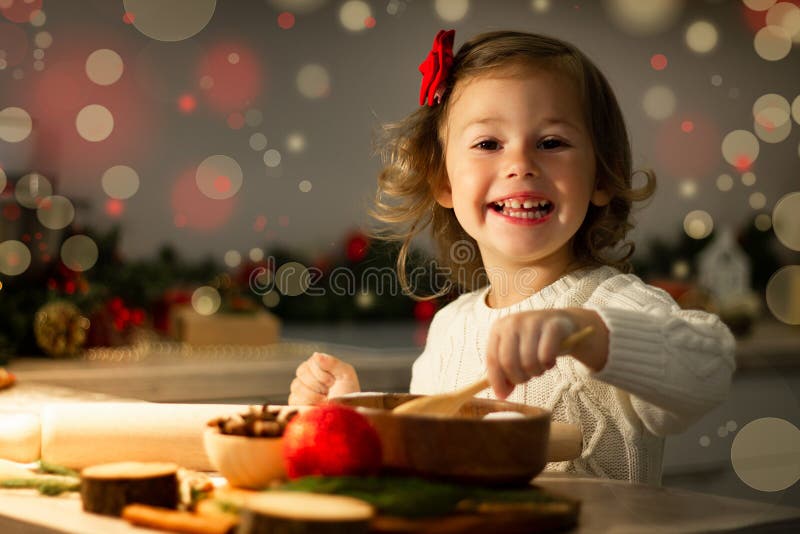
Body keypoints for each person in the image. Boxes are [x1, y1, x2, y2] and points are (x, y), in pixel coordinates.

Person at [289, 30, 736, 486]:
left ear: (601, 176)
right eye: (488, 144)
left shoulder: (612, 306)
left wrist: (590, 334)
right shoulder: (449, 329)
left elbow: (710, 366)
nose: (521, 163)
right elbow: (421, 461)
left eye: (551, 143)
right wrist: (352, 411)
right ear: (443, 181)